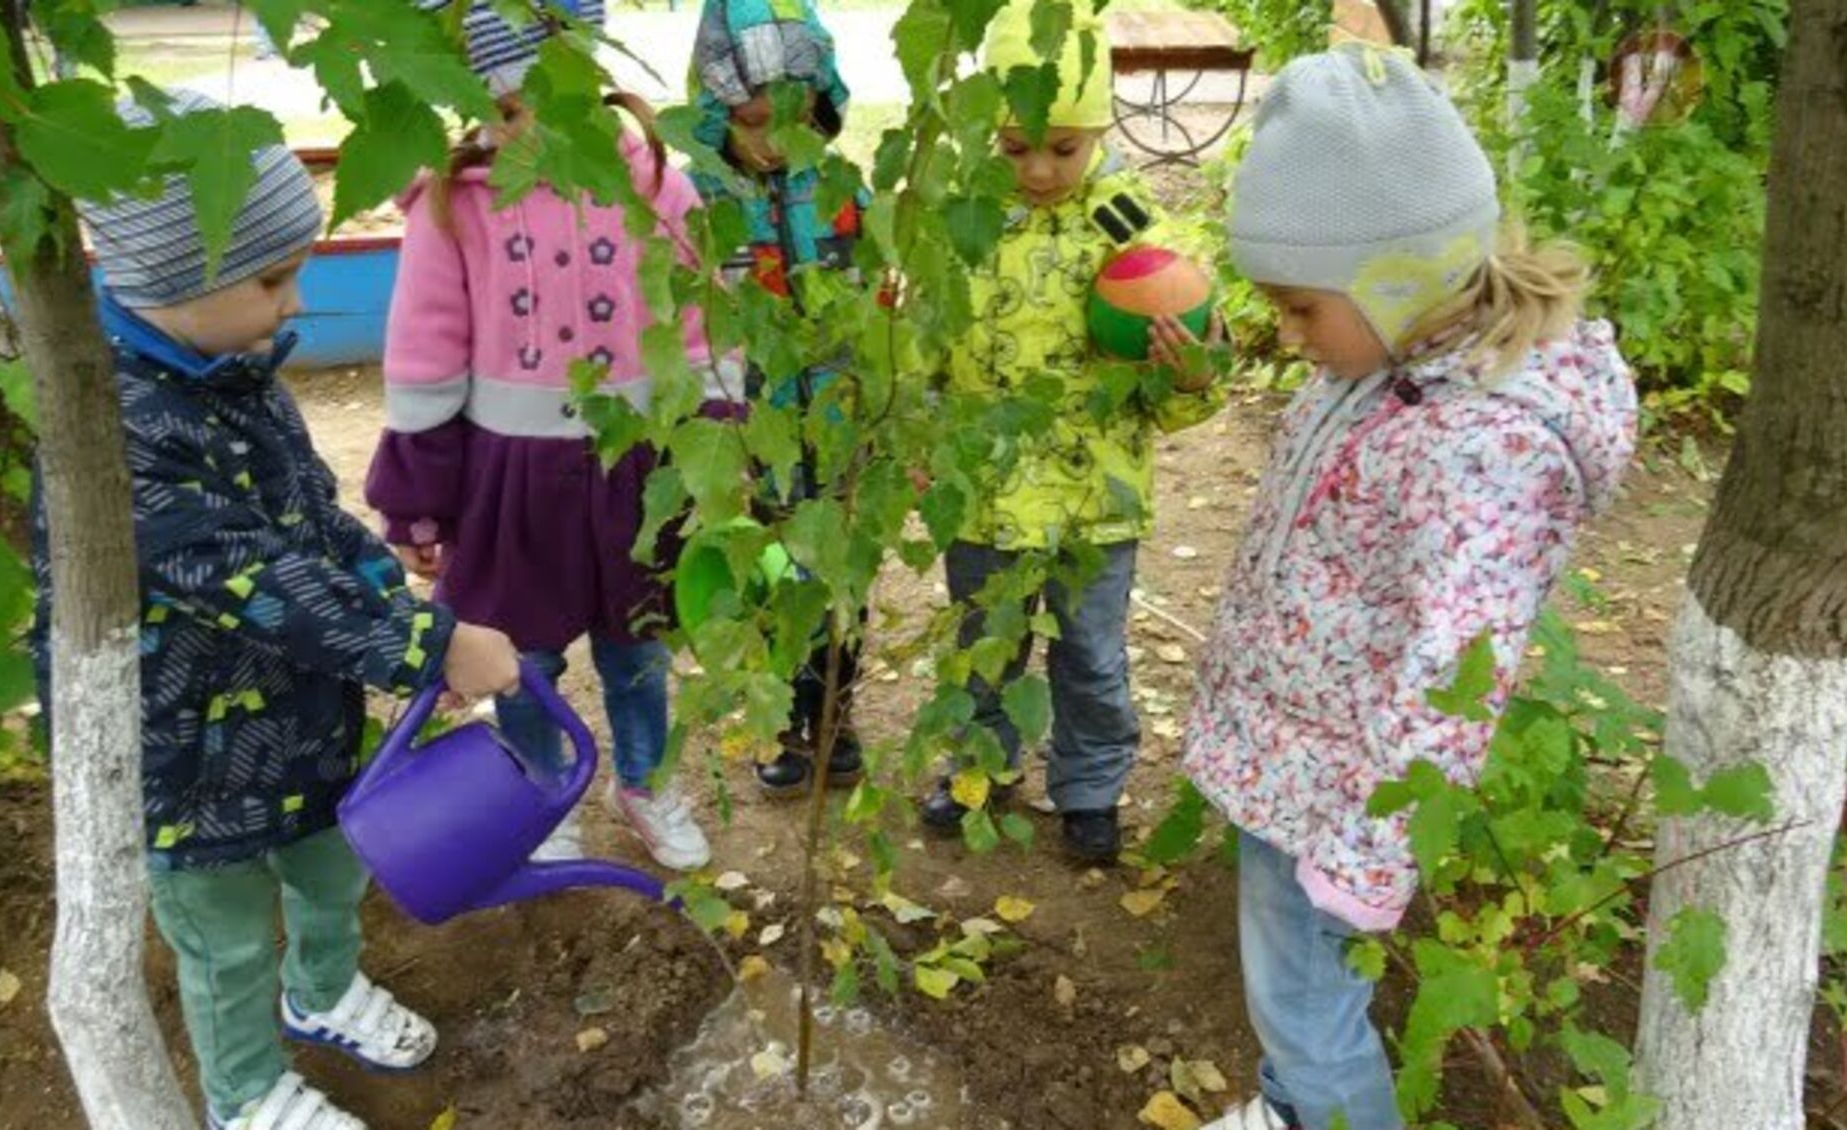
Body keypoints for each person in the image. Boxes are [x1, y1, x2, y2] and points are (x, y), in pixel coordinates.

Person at [37, 89, 525, 1130]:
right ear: (175, 278)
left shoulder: (235, 373)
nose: (294, 300)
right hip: (182, 754)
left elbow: (303, 514)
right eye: (271, 277)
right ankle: (246, 1090)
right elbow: (257, 579)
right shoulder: (118, 434)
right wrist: (429, 645)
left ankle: (323, 987)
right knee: (220, 938)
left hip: (292, 715)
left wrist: (376, 571)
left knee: (328, 866)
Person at [1184, 46, 1638, 1130]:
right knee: (1297, 1000)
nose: (1288, 340)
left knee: (1306, 1005)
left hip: (1338, 798)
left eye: (1300, 310)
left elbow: (1450, 680)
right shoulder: (1394, 363)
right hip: (1294, 747)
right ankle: (1298, 1104)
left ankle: (1323, 1109)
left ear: (1399, 280)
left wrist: (1364, 855)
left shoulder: (1482, 448)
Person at [368, 0, 735, 871]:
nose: (528, 127)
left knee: (640, 646)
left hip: (635, 474)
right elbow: (426, 359)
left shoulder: (653, 184)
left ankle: (644, 778)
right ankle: (543, 776)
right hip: (513, 484)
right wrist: (421, 508)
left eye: (548, 98)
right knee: (520, 654)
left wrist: (716, 438)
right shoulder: (455, 208)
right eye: (503, 108)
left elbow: (701, 323)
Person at [918, 0, 1220, 863]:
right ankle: (982, 765)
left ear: (1099, 130)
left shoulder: (1131, 230)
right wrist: (921, 441)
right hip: (983, 496)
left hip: (1095, 502)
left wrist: (1188, 372)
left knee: (1089, 654)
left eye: (1065, 147)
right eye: (1017, 149)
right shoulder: (964, 221)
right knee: (986, 644)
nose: (1043, 171)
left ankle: (1090, 787)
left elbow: (1181, 382)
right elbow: (931, 347)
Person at [685, 0, 873, 797]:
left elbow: (876, 309)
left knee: (837, 578)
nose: (769, 141)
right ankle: (778, 721)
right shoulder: (695, 201)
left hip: (834, 422)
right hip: (745, 432)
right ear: (714, 111)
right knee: (762, 578)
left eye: (790, 119)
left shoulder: (841, 190)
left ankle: (835, 712)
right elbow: (683, 322)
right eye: (750, 121)